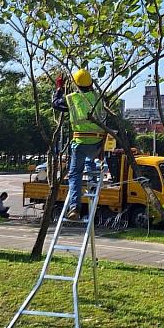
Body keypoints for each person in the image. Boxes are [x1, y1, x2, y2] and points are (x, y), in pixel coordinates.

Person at [52, 69, 106, 220]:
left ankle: (75, 206)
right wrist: (102, 147)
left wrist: (59, 88)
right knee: (90, 161)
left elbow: (56, 104)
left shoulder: (72, 99)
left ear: (76, 84)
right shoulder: (98, 98)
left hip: (80, 142)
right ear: (91, 82)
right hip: (97, 142)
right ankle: (93, 184)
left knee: (75, 174)